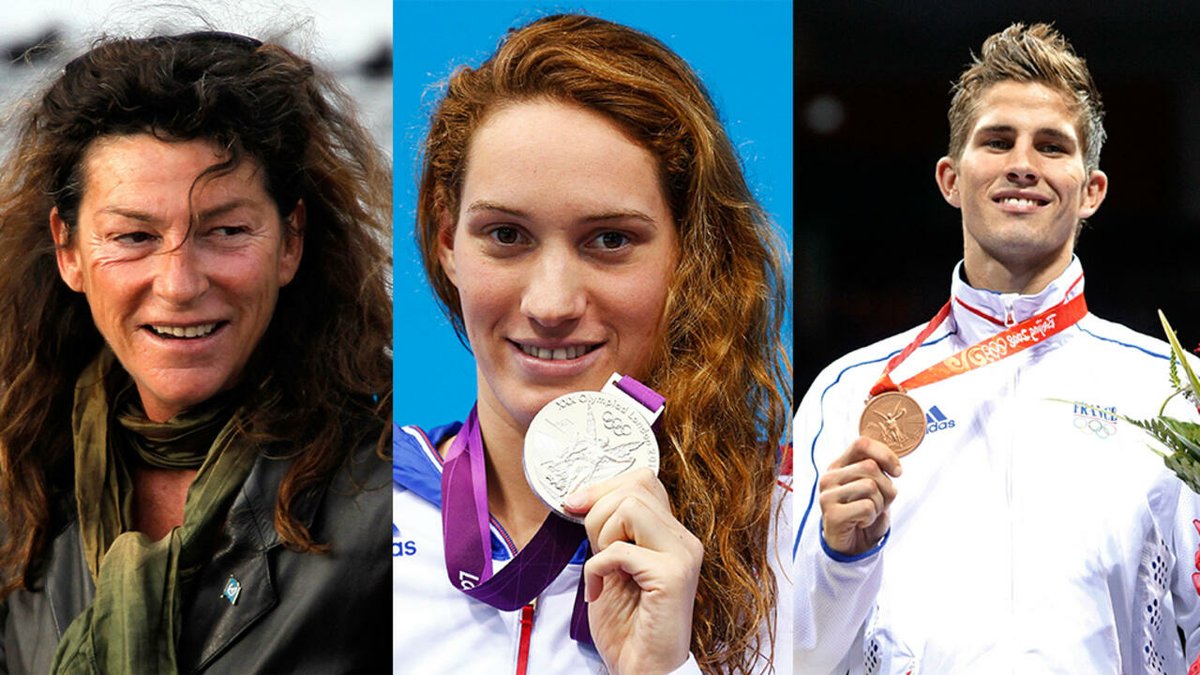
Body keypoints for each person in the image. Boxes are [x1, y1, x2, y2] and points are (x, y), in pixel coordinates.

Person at [392, 13, 792, 675]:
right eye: (506, 235)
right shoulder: (359, 509)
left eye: (609, 240)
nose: (551, 304)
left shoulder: (789, 534)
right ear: (446, 242)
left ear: (689, 256)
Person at [795, 22, 1200, 673]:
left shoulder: (1174, 391)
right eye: (997, 140)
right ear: (951, 179)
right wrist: (842, 560)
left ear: (1091, 190)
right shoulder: (850, 392)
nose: (1023, 163)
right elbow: (795, 655)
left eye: (1051, 145)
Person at [0, 29, 393, 673]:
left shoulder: (396, 498)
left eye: (227, 230)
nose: (179, 285)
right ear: (68, 251)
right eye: (133, 236)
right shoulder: (18, 480)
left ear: (291, 241)